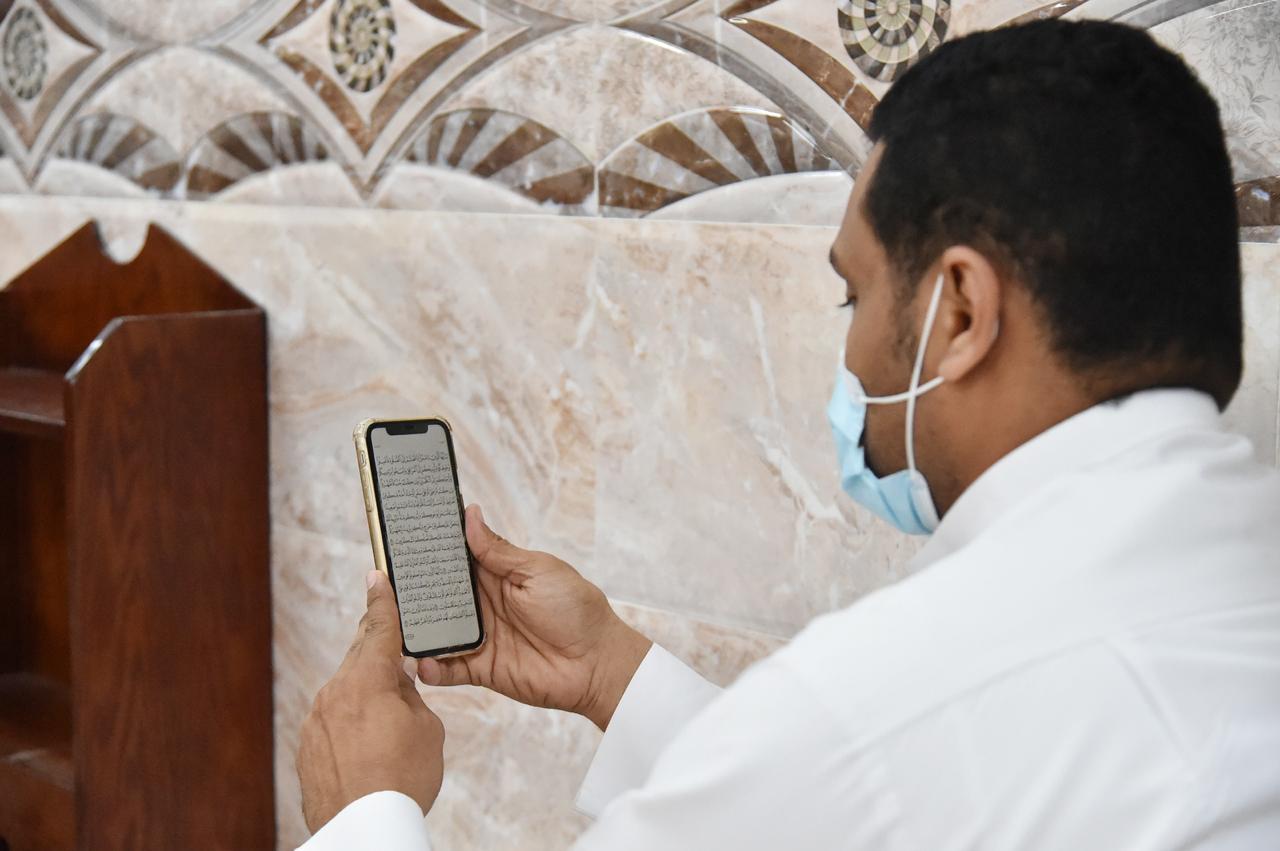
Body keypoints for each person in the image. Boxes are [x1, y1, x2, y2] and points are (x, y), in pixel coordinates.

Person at [295, 18, 1280, 850]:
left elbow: (858, 761)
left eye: (854, 293)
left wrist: (363, 810)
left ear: (962, 311)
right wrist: (610, 674)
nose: (851, 351)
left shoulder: (883, 700)